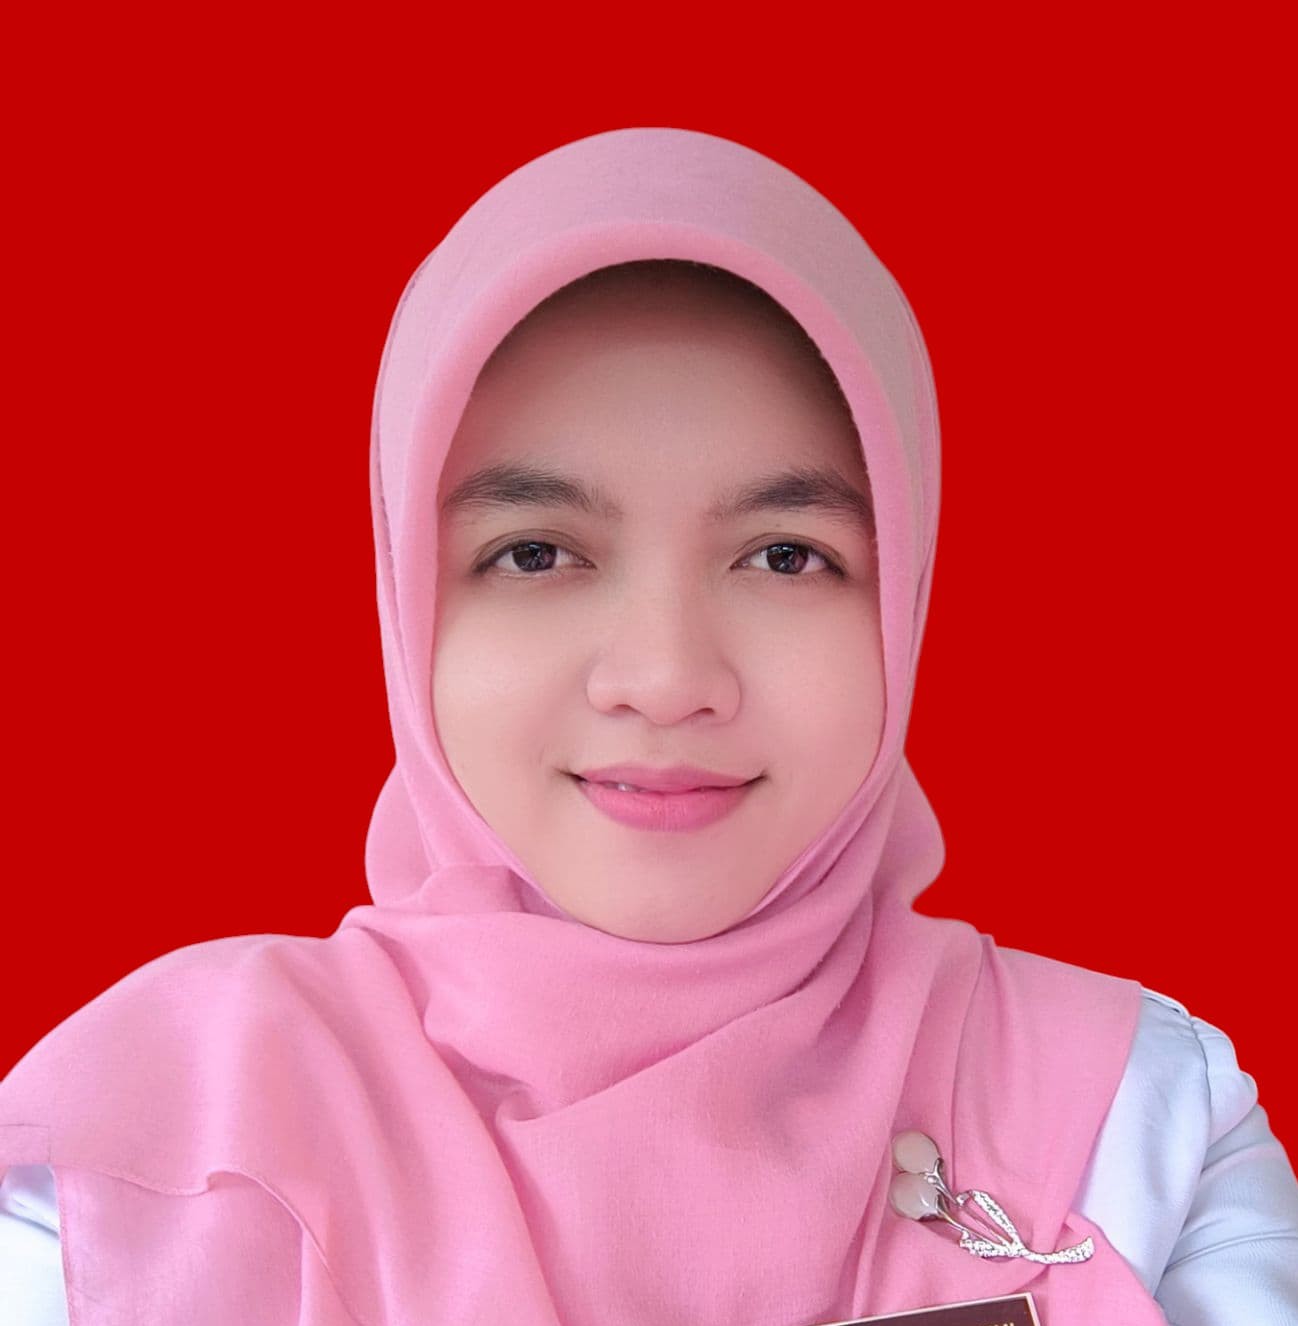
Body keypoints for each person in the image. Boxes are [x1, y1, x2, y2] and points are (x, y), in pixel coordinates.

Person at [2, 126, 1296, 1325]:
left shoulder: (1136, 1117)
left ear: (903, 592)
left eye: (784, 555)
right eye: (536, 552)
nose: (667, 677)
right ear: (410, 605)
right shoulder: (148, 1141)